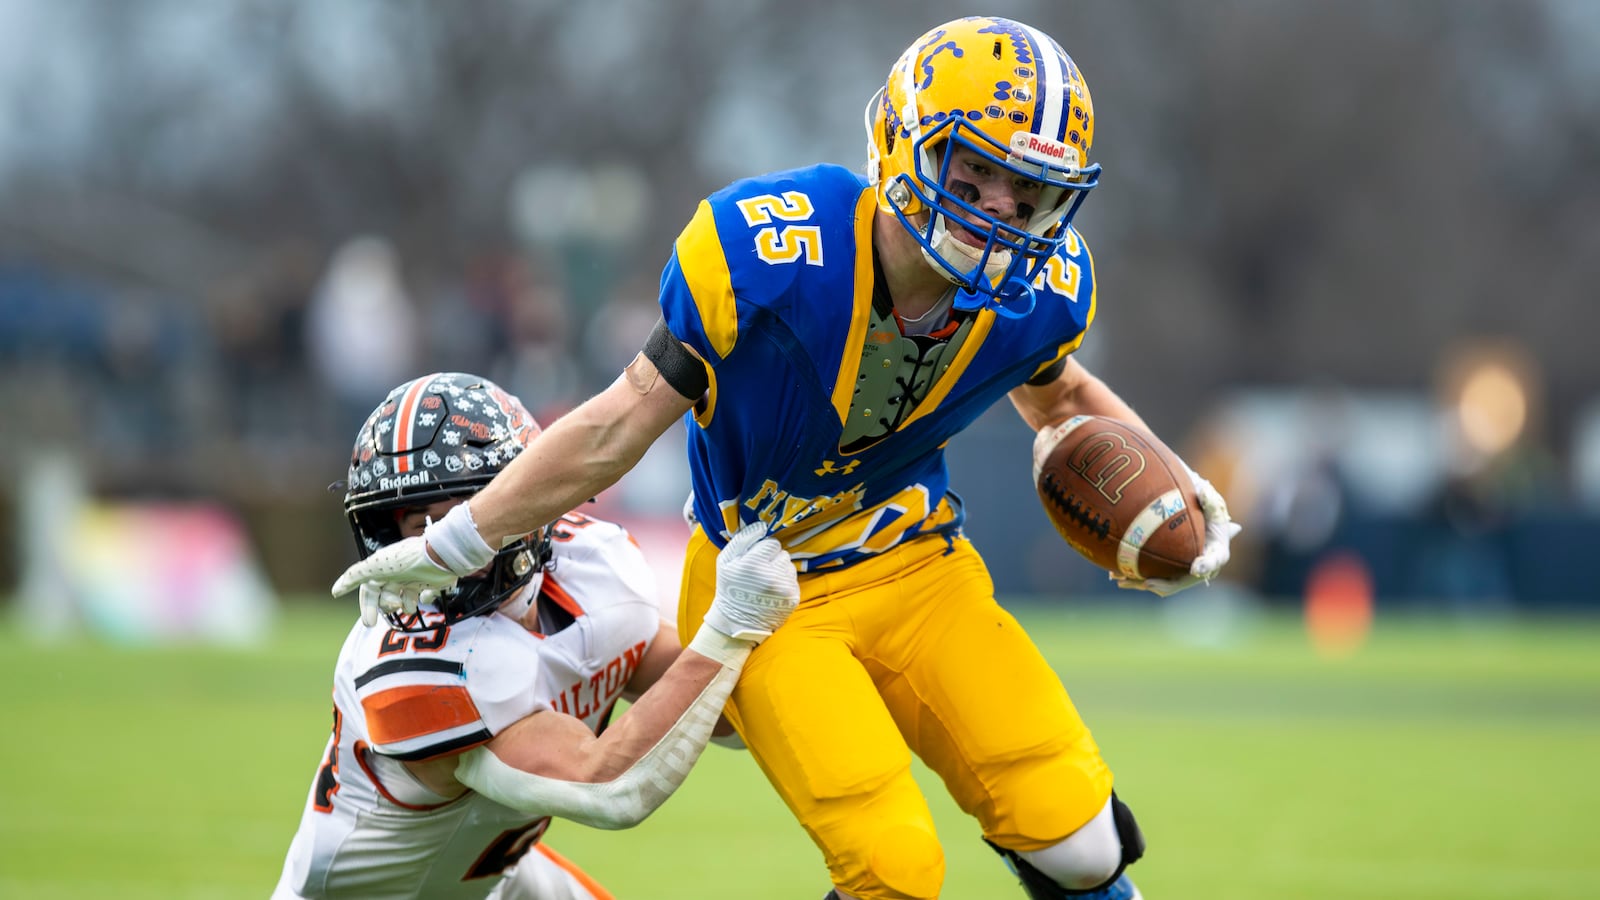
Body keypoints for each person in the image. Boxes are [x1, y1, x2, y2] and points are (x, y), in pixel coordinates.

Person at [332, 17, 1243, 900]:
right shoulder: (769, 254)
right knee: (895, 869)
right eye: (976, 173)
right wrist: (458, 539)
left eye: (1028, 195)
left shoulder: (1040, 293)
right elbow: (619, 422)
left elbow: (1063, 398)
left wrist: (1175, 495)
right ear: (905, 142)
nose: (1001, 215)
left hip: (918, 566)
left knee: (1082, 844)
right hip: (768, 591)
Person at [277, 371, 800, 899]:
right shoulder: (412, 667)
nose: (440, 545)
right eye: (418, 527)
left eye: (464, 512)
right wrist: (730, 623)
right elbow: (609, 787)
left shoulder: (589, 566)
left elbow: (721, 711)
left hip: (493, 879)